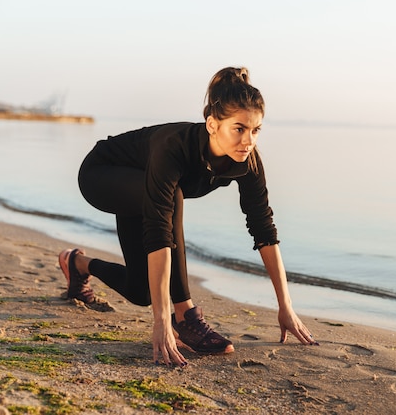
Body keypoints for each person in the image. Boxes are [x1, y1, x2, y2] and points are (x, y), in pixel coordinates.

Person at [58, 67, 318, 367]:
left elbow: (263, 228)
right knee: (173, 198)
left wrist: (285, 306)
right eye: (239, 128)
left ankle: (75, 263)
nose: (248, 140)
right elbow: (160, 232)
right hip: (101, 175)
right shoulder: (175, 147)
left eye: (255, 130)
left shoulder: (248, 161)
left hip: (144, 190)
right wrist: (161, 323)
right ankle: (185, 316)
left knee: (141, 291)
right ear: (212, 124)